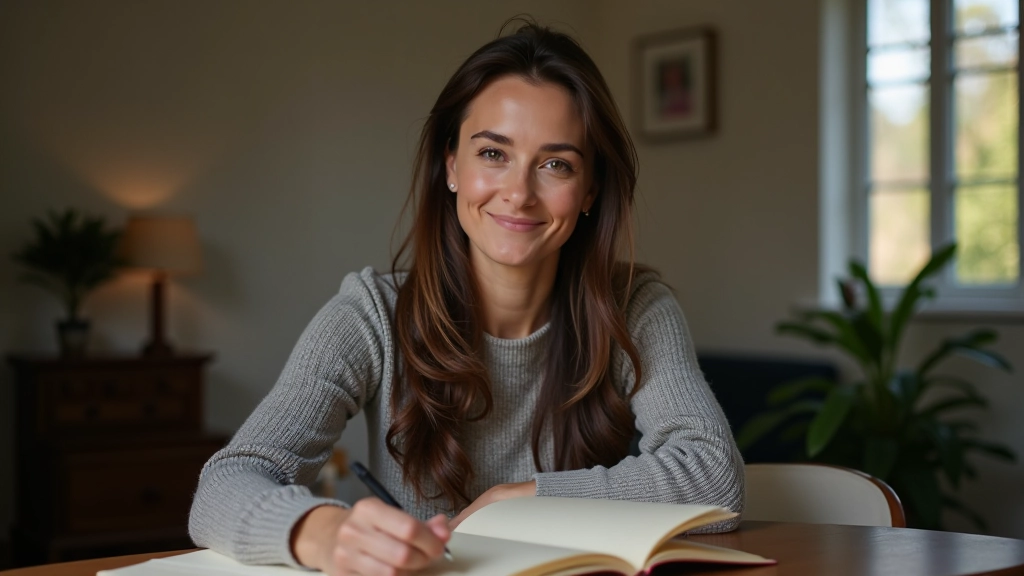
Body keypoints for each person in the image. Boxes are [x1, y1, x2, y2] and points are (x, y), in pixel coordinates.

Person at [188, 20, 743, 576]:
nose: (519, 194)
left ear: (591, 189)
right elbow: (223, 486)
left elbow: (713, 475)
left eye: (556, 164)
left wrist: (525, 499)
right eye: (493, 154)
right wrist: (328, 534)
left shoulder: (635, 308)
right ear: (451, 165)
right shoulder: (371, 316)